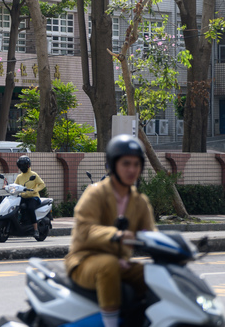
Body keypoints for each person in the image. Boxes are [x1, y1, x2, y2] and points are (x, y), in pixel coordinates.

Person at [64, 134, 156, 327]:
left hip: (122, 263)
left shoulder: (139, 202)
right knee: (108, 265)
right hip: (84, 261)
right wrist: (117, 234)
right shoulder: (95, 193)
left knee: (154, 276)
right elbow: (85, 230)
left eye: (136, 164)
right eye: (126, 164)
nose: (132, 169)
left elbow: (151, 235)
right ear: (114, 165)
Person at [14, 155, 45, 237]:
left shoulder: (33, 175)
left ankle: (35, 230)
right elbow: (15, 185)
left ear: (28, 165)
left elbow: (42, 184)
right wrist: (8, 187)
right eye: (20, 166)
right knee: (14, 207)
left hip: (33, 197)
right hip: (23, 197)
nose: (22, 167)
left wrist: (35, 190)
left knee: (30, 208)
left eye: (24, 165)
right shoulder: (19, 176)